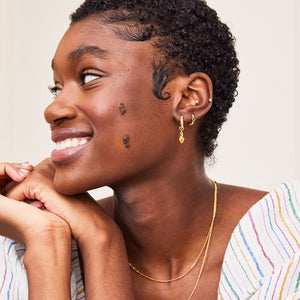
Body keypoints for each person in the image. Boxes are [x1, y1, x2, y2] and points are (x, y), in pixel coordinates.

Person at [0, 0, 299, 299]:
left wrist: (101, 241)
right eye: (57, 87)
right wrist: (53, 242)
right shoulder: (25, 245)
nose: (53, 109)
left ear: (188, 98)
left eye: (89, 77)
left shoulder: (286, 245)